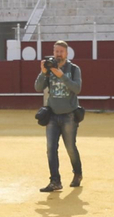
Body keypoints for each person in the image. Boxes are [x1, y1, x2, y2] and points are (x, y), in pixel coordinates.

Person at [35, 40, 83, 192]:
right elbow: (37, 87)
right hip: (52, 116)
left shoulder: (74, 69)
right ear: (53, 52)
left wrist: (62, 76)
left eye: (61, 52)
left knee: (70, 147)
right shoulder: (48, 69)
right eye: (56, 51)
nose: (58, 54)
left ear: (67, 53)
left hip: (69, 116)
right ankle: (55, 181)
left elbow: (77, 88)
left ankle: (77, 173)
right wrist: (43, 72)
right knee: (50, 149)